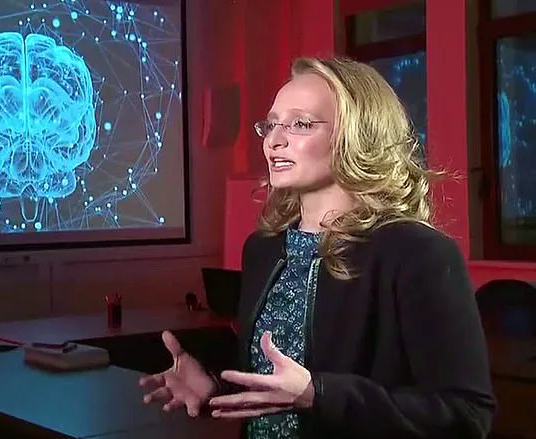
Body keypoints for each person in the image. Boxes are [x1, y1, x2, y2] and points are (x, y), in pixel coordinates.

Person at [138, 56, 496, 438]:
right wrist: (217, 388)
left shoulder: (418, 253)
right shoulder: (263, 249)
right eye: (271, 124)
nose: (274, 140)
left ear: (357, 135)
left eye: (301, 124)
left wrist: (318, 395)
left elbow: (467, 414)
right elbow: (278, 388)